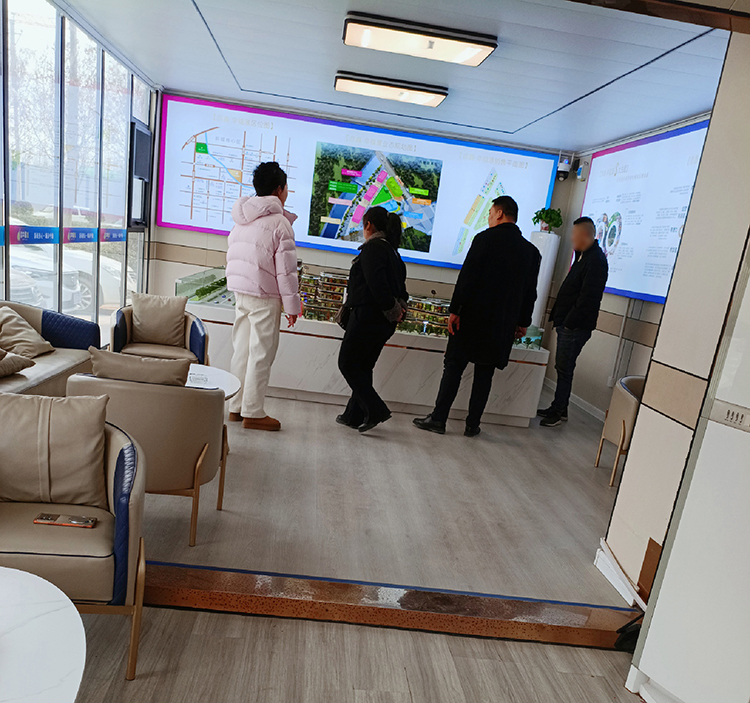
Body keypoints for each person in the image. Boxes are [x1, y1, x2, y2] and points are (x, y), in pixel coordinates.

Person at [414, 195, 541, 437]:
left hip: (472, 319)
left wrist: (455, 311)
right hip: (501, 325)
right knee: (485, 373)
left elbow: (467, 279)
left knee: (453, 367)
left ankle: (439, 419)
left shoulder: (484, 239)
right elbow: (530, 292)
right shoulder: (531, 252)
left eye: (490, 213)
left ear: (500, 213)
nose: (489, 218)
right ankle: (472, 425)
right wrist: (523, 322)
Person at [226, 162, 301, 431]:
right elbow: (286, 271)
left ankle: (236, 407)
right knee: (261, 353)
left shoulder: (241, 219)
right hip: (265, 294)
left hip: (241, 292)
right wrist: (292, 306)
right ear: (279, 189)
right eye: (286, 188)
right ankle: (253, 412)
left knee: (242, 350)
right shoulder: (279, 224)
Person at [337, 206, 408, 433]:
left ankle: (376, 409)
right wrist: (398, 311)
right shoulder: (393, 252)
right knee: (363, 366)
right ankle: (354, 414)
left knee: (347, 363)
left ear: (368, 225)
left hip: (368, 317)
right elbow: (401, 290)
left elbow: (377, 285)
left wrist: (390, 308)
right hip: (383, 322)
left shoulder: (373, 248)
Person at [538, 216, 608, 427]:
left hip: (575, 326)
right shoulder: (582, 256)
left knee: (565, 368)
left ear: (585, 235)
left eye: (574, 234)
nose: (571, 238)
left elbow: (588, 298)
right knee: (562, 368)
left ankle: (558, 411)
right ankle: (560, 407)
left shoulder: (596, 260)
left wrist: (569, 322)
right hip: (567, 323)